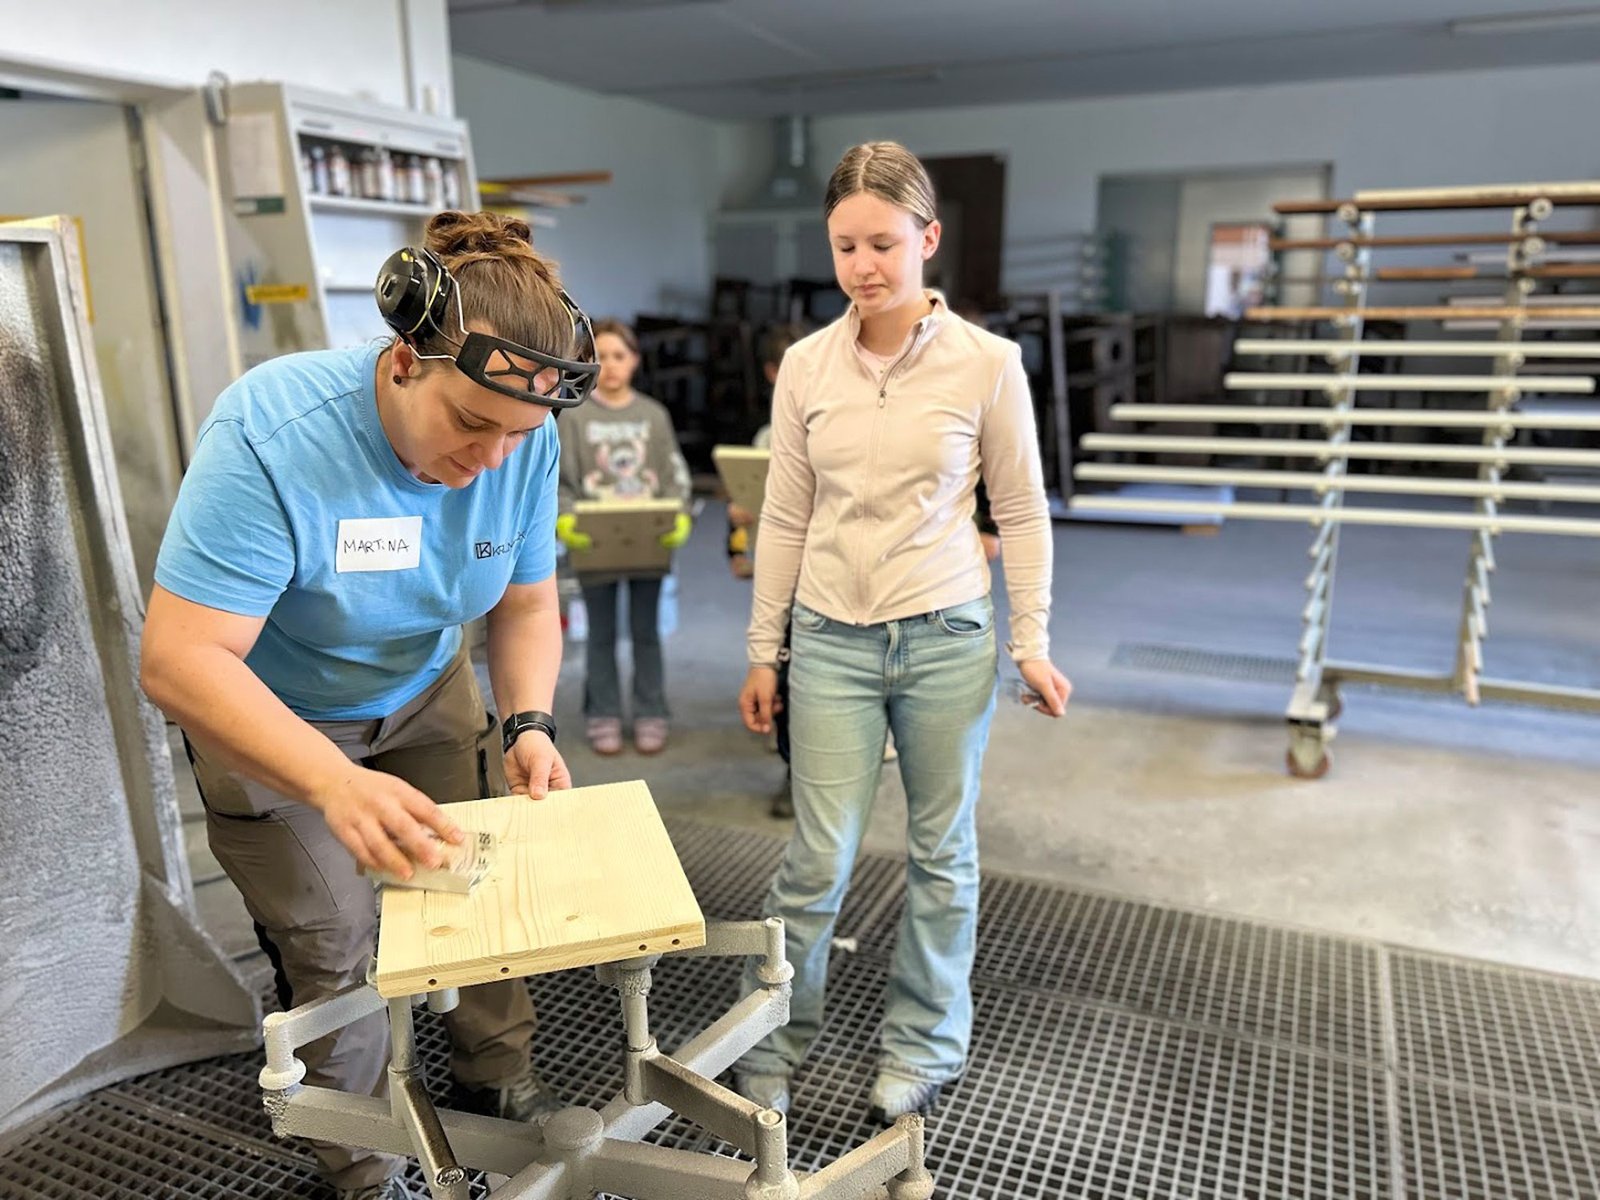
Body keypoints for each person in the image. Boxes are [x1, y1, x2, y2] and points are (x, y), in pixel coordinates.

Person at [140, 211, 597, 1200]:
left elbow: (526, 604)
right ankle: (365, 1162)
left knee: (473, 888)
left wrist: (528, 721)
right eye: (469, 423)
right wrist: (331, 782)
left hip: (427, 689)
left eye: (516, 435)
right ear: (402, 362)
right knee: (335, 942)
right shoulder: (274, 432)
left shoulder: (523, 438)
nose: (491, 459)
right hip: (274, 713)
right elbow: (179, 661)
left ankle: (495, 1075)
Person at [733, 141, 1072, 1124]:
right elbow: (784, 515)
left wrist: (1031, 641)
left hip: (946, 635)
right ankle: (773, 1034)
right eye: (845, 246)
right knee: (815, 858)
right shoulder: (806, 366)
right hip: (830, 639)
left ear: (927, 239)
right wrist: (765, 650)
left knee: (940, 854)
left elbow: (1023, 510)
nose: (863, 265)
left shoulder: (988, 364)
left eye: (882, 243)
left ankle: (923, 1043)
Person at [555, 319, 692, 755]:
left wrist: (679, 514)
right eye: (603, 356)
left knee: (646, 631)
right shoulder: (573, 417)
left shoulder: (653, 416)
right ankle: (603, 712)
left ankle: (652, 710)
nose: (611, 365)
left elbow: (673, 475)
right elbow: (560, 481)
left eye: (620, 355)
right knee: (600, 634)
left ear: (635, 360)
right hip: (594, 547)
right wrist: (565, 519)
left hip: (647, 544)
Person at [727, 322, 809, 816]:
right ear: (773, 372)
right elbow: (747, 489)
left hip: (830, 568)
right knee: (782, 662)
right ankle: (793, 766)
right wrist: (737, 541)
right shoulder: (766, 434)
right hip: (779, 566)